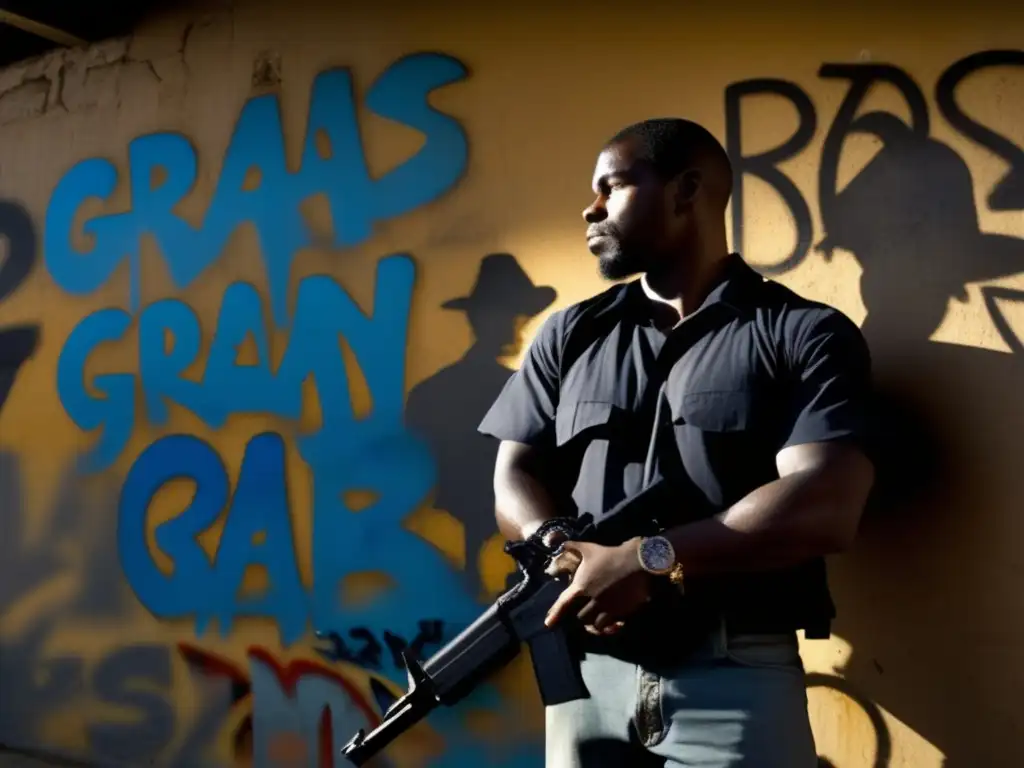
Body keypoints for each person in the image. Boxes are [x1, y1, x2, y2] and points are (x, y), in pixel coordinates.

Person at [477, 118, 876, 767]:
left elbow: (825, 503)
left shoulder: (801, 334)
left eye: (612, 187)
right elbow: (513, 473)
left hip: (733, 675)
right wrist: (562, 550)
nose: (590, 208)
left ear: (686, 191)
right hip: (587, 684)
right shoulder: (570, 335)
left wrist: (649, 557)